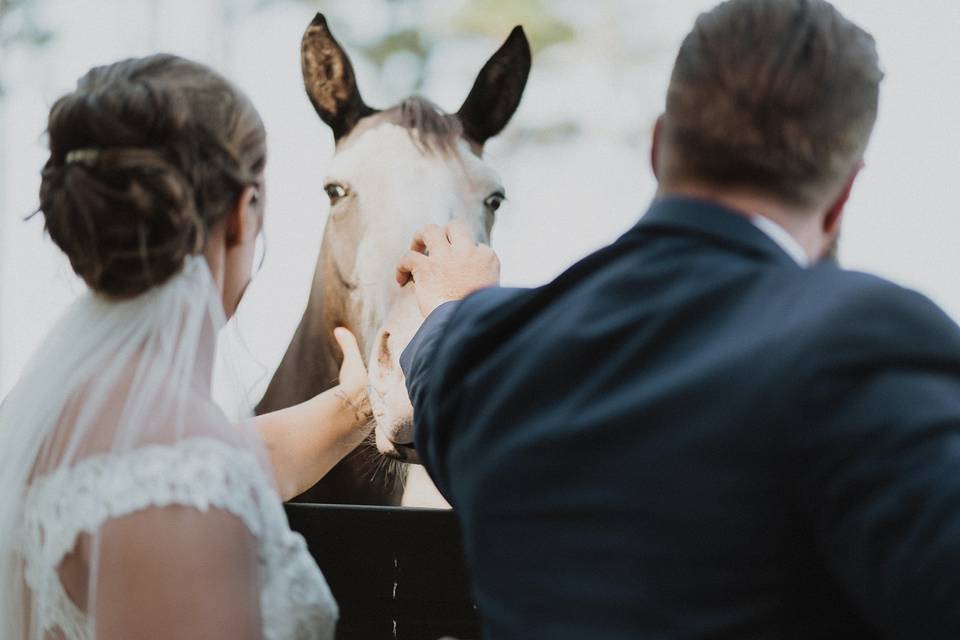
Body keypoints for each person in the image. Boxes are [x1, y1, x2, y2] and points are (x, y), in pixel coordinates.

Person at [397, 0, 960, 638]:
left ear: (660, 146)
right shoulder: (866, 341)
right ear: (842, 199)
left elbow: (444, 356)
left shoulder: (487, 353)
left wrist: (454, 304)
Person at [0, 55, 371, 639]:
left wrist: (358, 404)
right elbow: (197, 469)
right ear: (240, 216)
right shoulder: (180, 471)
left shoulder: (55, 417)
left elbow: (249, 456)